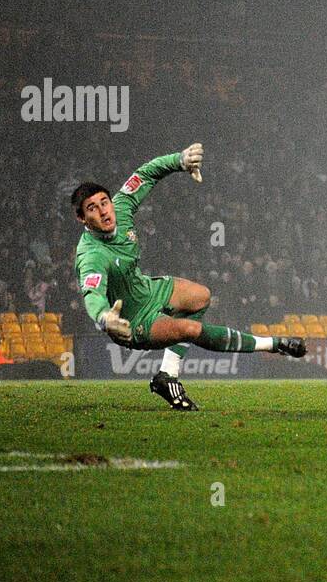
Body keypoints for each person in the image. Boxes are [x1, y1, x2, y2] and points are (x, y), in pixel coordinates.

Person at [72, 144, 304, 411]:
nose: (103, 211)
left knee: (200, 296)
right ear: (82, 218)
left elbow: (145, 174)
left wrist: (179, 161)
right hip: (132, 320)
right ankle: (274, 344)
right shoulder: (91, 255)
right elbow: (92, 293)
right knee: (191, 330)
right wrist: (104, 318)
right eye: (92, 208)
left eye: (104, 202)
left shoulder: (121, 209)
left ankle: (166, 375)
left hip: (148, 290)